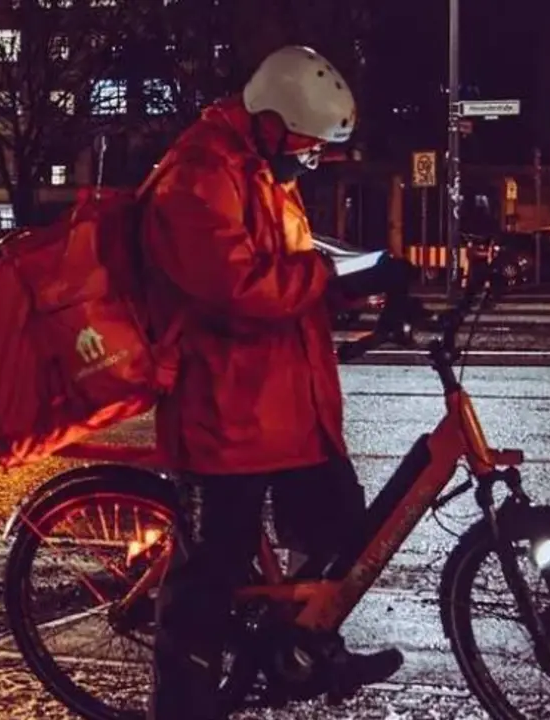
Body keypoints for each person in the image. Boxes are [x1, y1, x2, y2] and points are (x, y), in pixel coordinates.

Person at [139, 45, 404, 719]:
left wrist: (372, 282)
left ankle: (302, 649)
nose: (308, 161)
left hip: (287, 410)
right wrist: (336, 279)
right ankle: (183, 704)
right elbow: (238, 288)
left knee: (343, 529)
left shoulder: (261, 170)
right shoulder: (198, 176)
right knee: (208, 580)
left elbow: (295, 267)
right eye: (306, 147)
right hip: (221, 415)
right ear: (269, 121)